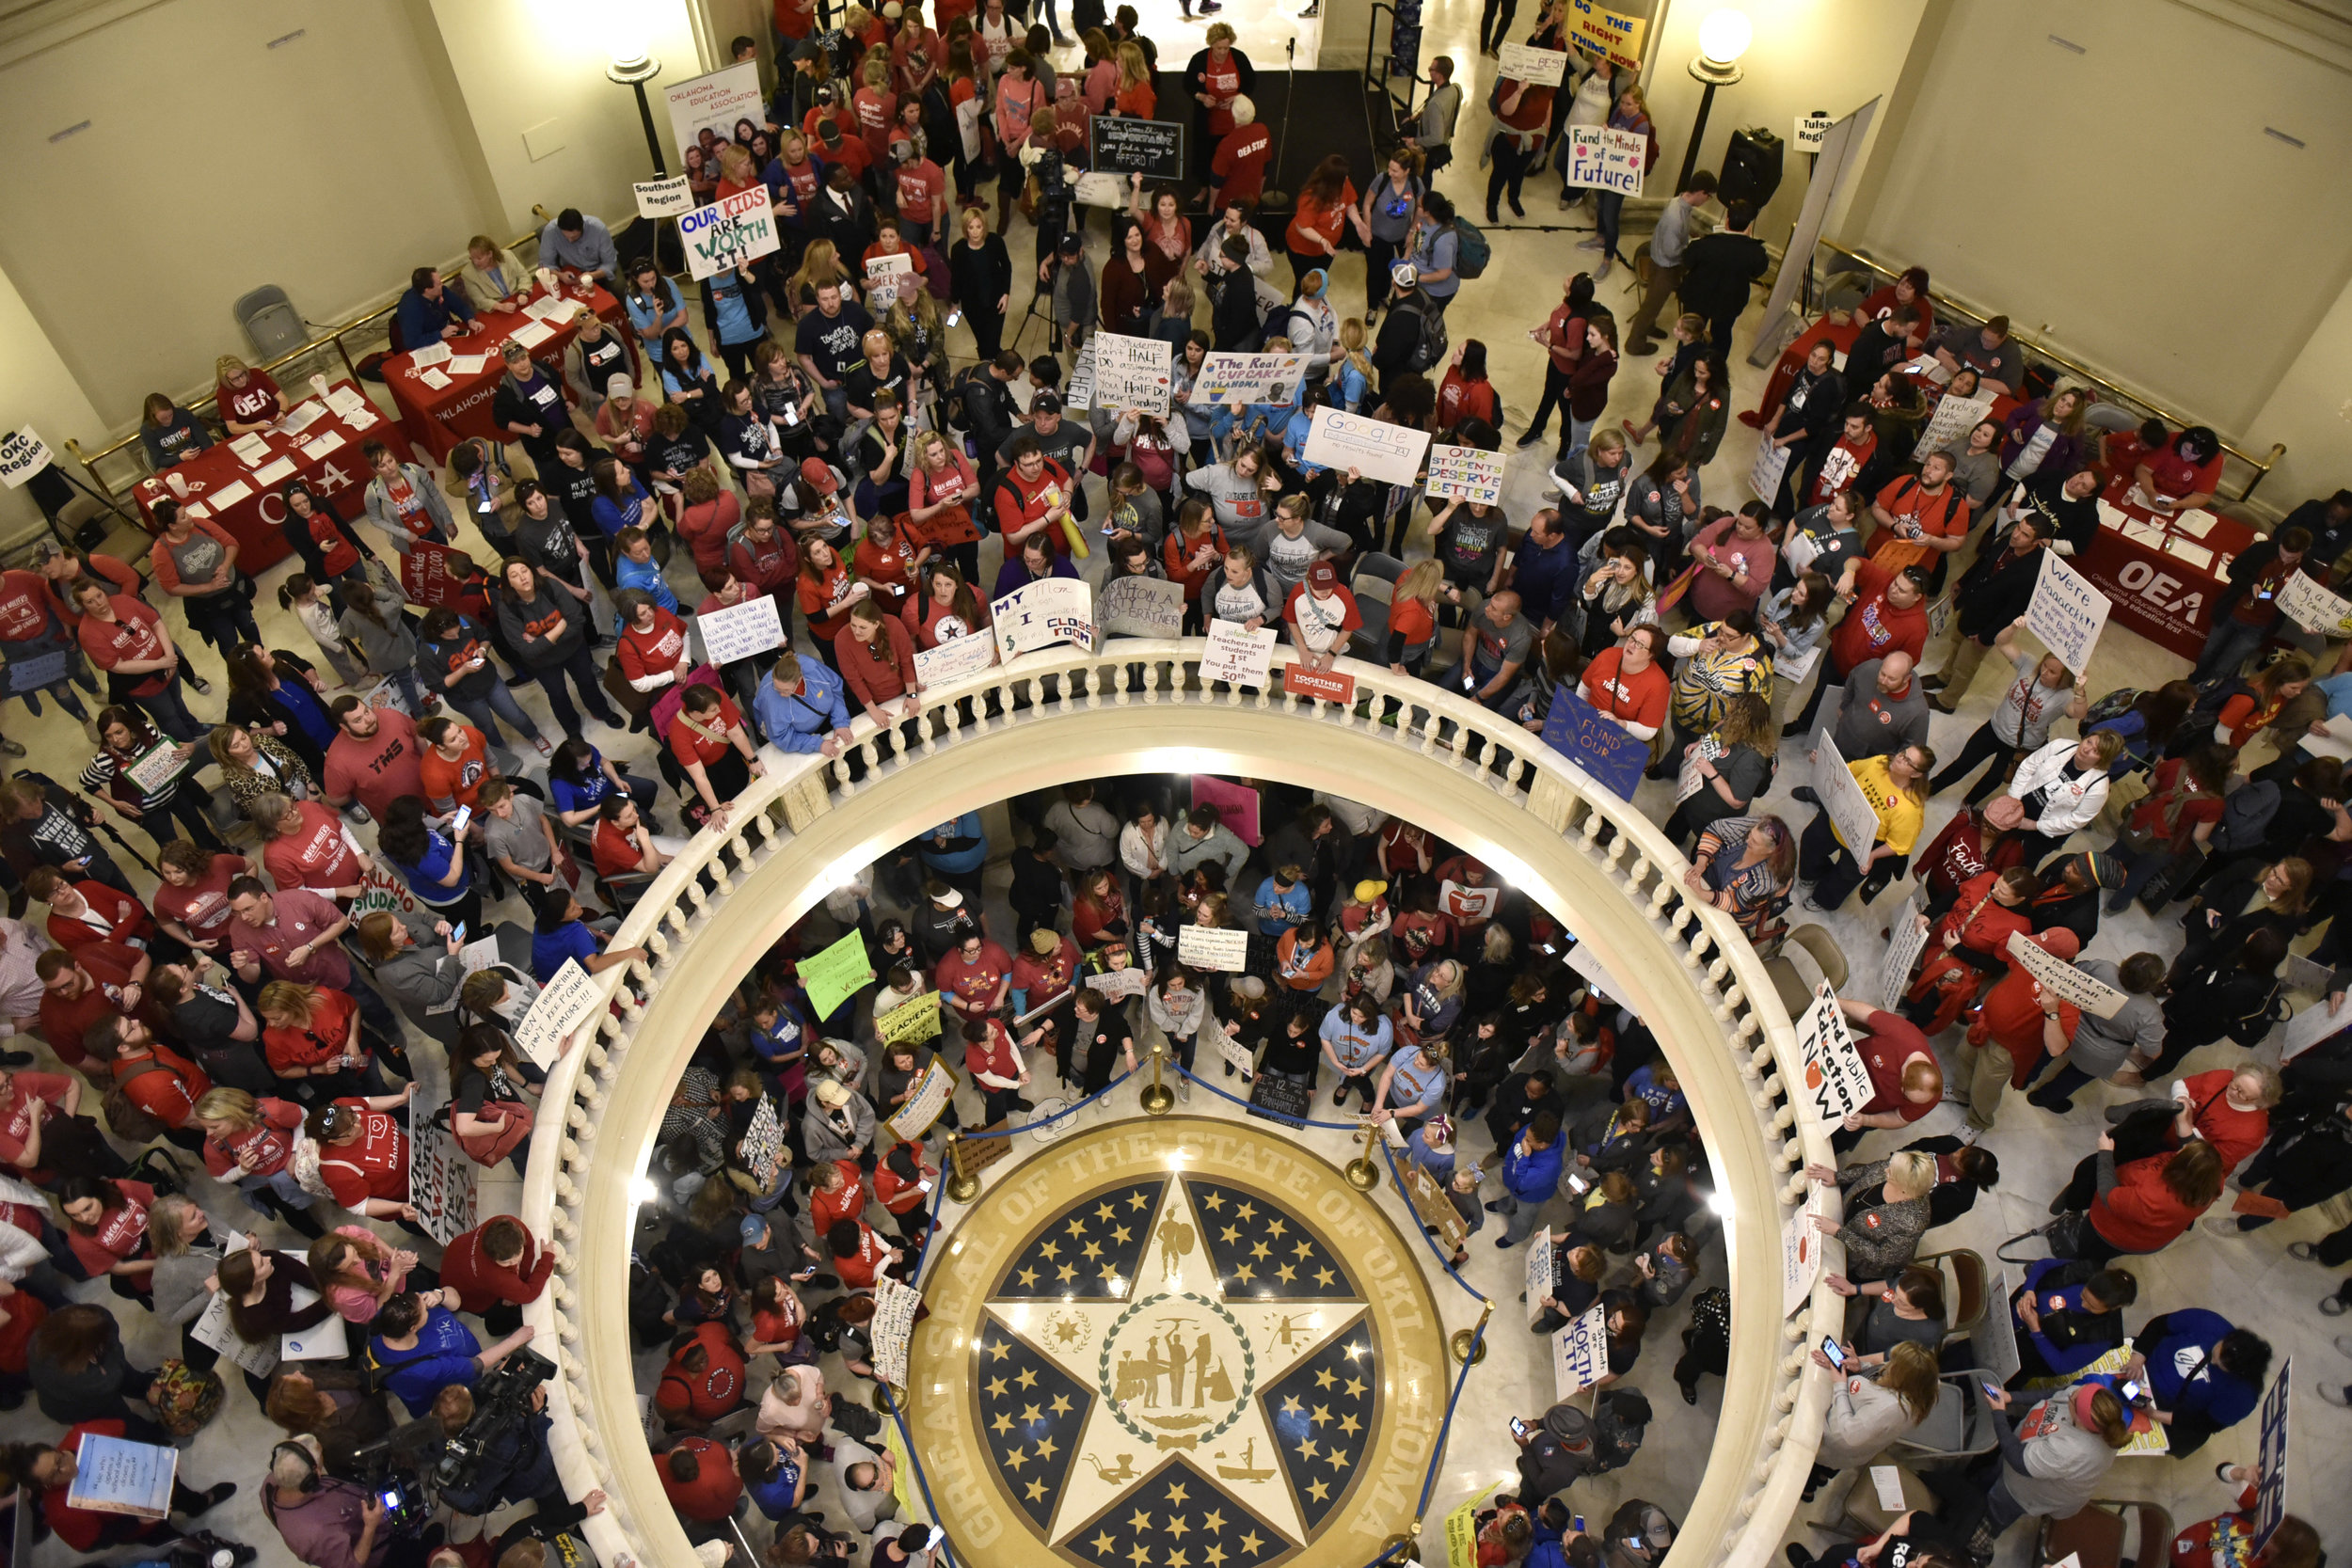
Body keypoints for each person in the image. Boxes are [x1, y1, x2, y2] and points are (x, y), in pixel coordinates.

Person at [1676, 200, 1768, 357]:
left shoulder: (1704, 244)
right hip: (1730, 301)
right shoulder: (1756, 252)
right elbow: (1757, 271)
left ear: (1727, 221)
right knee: (1722, 334)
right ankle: (1715, 367)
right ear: (1749, 226)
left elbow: (1687, 261)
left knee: (1691, 331)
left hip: (1698, 296)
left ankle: (1685, 360)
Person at [537, 207, 618, 280]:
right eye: (565, 237)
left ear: (582, 227)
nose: (570, 241)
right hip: (572, 273)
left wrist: (593, 275)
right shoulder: (551, 231)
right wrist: (560, 276)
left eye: (574, 237)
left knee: (620, 288)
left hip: (599, 270)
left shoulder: (599, 229)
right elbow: (545, 264)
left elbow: (610, 263)